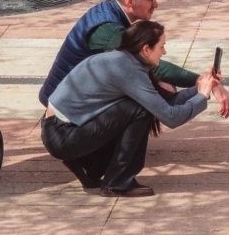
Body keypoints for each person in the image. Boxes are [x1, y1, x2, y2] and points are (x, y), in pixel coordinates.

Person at [42, 18, 216, 197]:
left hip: (61, 128)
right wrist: (202, 96)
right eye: (161, 46)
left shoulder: (122, 59)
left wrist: (202, 87)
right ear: (146, 49)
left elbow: (164, 105)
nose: (164, 52)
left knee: (136, 108)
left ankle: (89, 166)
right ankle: (117, 182)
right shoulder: (128, 70)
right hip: (62, 135)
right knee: (138, 110)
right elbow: (171, 117)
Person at [38, 0, 229, 116]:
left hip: (75, 94)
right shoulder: (107, 30)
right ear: (130, 1)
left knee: (159, 85)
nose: (156, 4)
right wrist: (204, 83)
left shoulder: (111, 12)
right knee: (149, 95)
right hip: (62, 107)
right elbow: (148, 63)